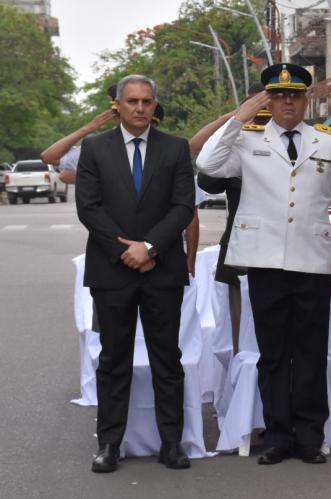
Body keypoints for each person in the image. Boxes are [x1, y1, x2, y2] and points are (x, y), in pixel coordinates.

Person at [197, 63, 331, 465]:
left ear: (305, 100)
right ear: (268, 99)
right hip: (264, 260)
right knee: (271, 353)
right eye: (279, 95)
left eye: (295, 95)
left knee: (311, 352)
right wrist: (238, 118)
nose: (288, 102)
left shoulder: (328, 141)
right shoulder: (247, 140)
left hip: (312, 260)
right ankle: (278, 436)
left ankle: (309, 435)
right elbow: (208, 166)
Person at [76, 74, 196, 473]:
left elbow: (183, 207)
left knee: (167, 359)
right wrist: (124, 248)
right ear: (119, 106)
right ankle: (109, 444)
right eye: (132, 101)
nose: (140, 108)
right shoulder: (94, 149)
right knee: (114, 360)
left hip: (162, 270)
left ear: (154, 104)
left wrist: (150, 247)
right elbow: (88, 208)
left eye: (146, 101)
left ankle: (171, 443)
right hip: (113, 271)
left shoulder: (176, 148)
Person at [195, 82, 266, 353]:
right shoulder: (237, 143)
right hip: (239, 246)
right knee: (240, 335)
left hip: (281, 248)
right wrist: (236, 118)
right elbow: (206, 172)